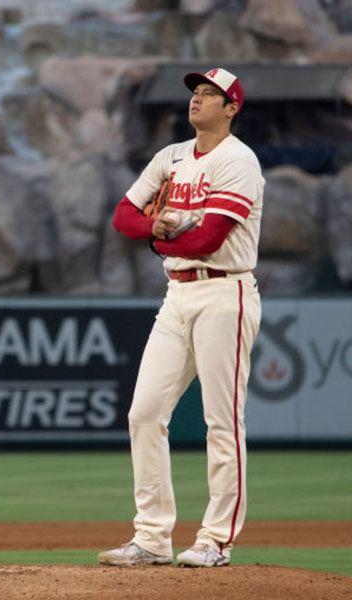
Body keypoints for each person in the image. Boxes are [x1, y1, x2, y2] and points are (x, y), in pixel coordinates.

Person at [98, 67, 263, 568]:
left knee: (221, 422)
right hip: (178, 294)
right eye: (195, 92)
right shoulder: (170, 157)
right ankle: (151, 538)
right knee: (144, 413)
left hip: (224, 290)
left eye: (210, 94)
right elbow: (123, 215)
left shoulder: (238, 160)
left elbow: (208, 239)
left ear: (231, 107)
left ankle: (216, 540)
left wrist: (159, 235)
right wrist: (157, 224)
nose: (197, 100)